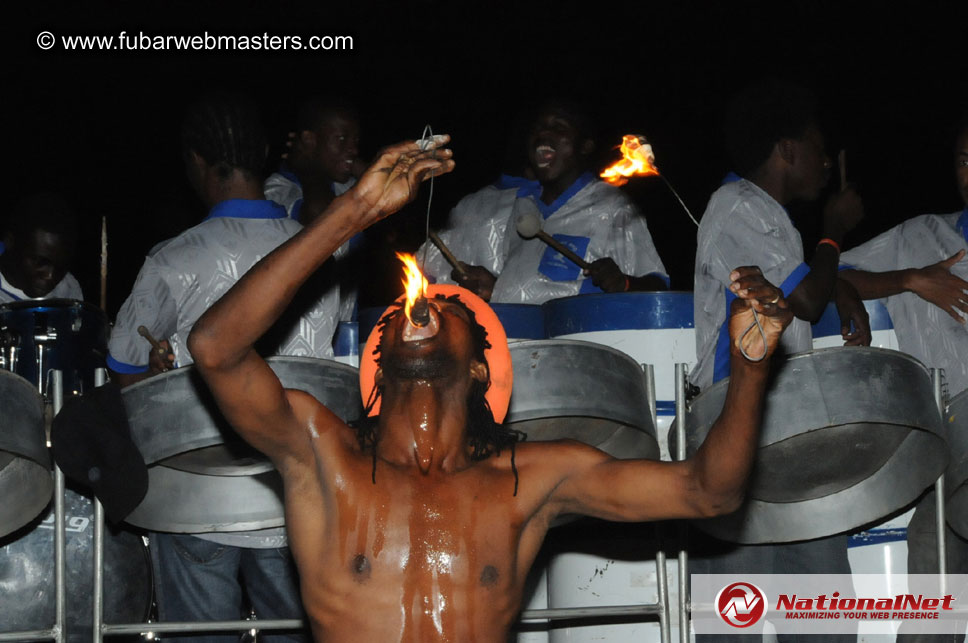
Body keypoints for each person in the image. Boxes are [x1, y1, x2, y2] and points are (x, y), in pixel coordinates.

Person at [187, 134, 793, 641]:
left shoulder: (529, 480)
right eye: (406, 307)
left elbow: (708, 493)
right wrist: (357, 212)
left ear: (481, 367)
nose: (419, 303)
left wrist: (751, 370)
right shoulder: (321, 453)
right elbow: (215, 347)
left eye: (450, 311)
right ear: (378, 356)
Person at [108, 92, 339, 642]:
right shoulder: (315, 254)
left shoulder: (172, 258)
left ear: (195, 162)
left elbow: (125, 369)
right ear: (262, 155)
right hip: (293, 492)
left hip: (198, 497)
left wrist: (160, 375)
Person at [690, 80, 870, 643]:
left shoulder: (768, 217)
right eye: (817, 147)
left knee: (823, 625)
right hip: (737, 435)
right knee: (733, 627)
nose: (824, 160)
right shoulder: (738, 205)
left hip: (788, 436)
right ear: (786, 148)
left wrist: (838, 283)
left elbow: (806, 290)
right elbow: (805, 301)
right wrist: (834, 234)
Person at [838, 115, 968, 643]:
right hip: (949, 432)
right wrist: (913, 279)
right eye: (964, 159)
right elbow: (832, 274)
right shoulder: (919, 237)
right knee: (931, 545)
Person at [421, 100, 668, 303]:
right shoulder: (521, 205)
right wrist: (493, 287)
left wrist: (623, 283)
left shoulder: (612, 208)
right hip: (521, 348)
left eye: (559, 128)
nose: (543, 134)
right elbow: (534, 292)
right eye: (537, 129)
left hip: (575, 351)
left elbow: (658, 288)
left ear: (585, 146)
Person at [264, 97, 363, 322]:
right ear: (309, 140)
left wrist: (348, 161)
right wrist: (310, 169)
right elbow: (323, 227)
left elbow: (391, 185)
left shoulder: (342, 185)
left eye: (355, 140)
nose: (353, 148)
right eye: (341, 139)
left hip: (343, 331)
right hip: (301, 337)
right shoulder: (277, 192)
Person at [0, 193, 83, 303]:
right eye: (40, 262)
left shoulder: (68, 289)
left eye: (60, 266)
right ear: (9, 242)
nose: (50, 276)